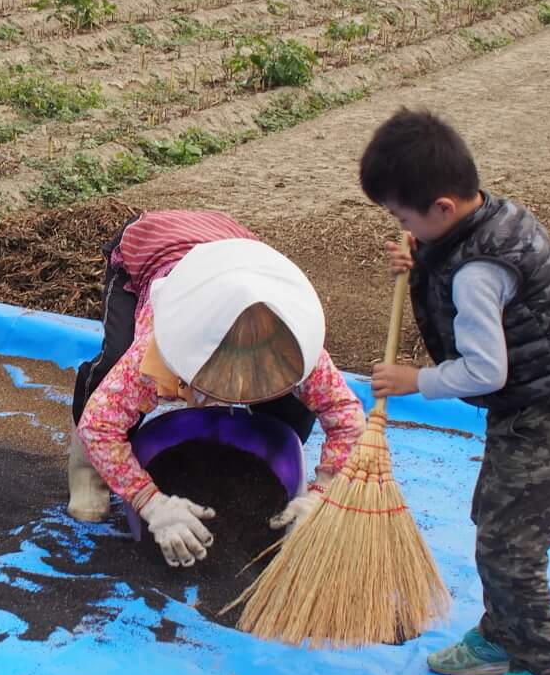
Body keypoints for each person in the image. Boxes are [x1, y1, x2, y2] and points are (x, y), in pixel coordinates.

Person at [359, 109, 550, 675]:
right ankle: (500, 634)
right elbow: (457, 268)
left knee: (512, 545)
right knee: (491, 519)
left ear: (442, 206)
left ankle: (542, 672)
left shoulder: (477, 271)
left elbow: (484, 371)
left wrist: (416, 381)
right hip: (530, 402)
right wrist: (420, 258)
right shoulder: (487, 222)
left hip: (549, 411)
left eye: (402, 217)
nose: (400, 227)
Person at [68, 209, 365, 566]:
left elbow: (346, 416)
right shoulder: (155, 347)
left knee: (293, 406)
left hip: (233, 253)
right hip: (153, 249)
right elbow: (100, 425)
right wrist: (152, 502)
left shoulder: (296, 346)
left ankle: (269, 456)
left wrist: (323, 493)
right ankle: (87, 472)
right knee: (112, 361)